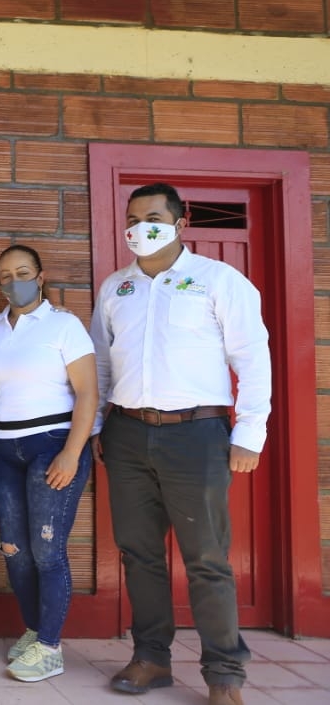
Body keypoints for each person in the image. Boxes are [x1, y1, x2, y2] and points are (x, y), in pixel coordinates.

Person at [91, 182, 271, 705]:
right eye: (132, 217)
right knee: (139, 554)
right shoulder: (115, 288)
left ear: (179, 222)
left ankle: (224, 675)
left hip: (197, 434)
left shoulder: (219, 280)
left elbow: (252, 359)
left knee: (207, 558)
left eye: (152, 215)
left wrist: (250, 433)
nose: (139, 226)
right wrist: (102, 427)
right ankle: (150, 658)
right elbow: (102, 362)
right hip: (127, 433)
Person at [0, 245, 98, 682]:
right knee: (15, 550)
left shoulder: (64, 325)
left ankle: (51, 647)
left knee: (48, 550)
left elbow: (87, 392)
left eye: (24, 272)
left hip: (52, 444)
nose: (15, 281)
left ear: (41, 276)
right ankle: (35, 632)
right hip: (3, 449)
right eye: (6, 274)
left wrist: (73, 451)